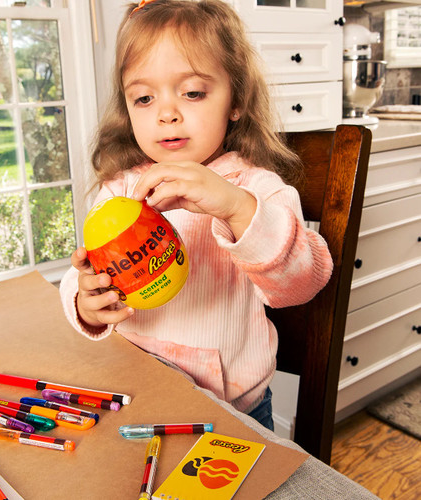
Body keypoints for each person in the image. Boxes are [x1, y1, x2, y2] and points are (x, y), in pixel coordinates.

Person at [60, 0, 333, 431]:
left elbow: (304, 283)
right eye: (144, 97)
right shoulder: (121, 190)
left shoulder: (256, 187)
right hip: (136, 395)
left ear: (236, 100)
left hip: (234, 410)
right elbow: (82, 274)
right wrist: (86, 301)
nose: (167, 113)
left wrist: (235, 207)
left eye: (192, 92)